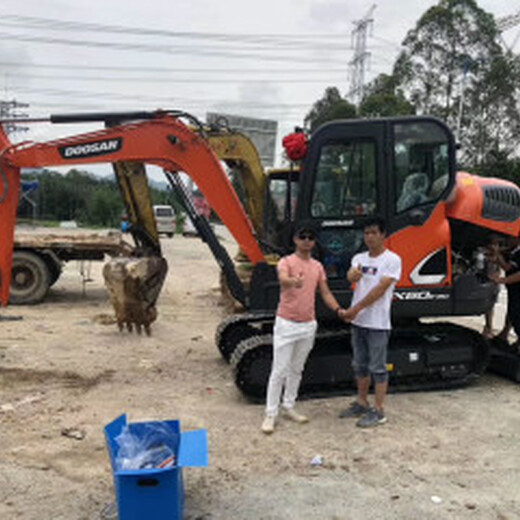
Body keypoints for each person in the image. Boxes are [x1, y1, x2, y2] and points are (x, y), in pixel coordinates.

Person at [261, 222, 344, 434]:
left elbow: (324, 292)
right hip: (287, 322)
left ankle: (289, 405)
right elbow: (283, 280)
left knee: (297, 369)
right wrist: (293, 282)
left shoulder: (317, 267)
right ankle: (271, 413)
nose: (306, 241)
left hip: (308, 324)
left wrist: (338, 309)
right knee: (279, 370)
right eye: (303, 236)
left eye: (310, 237)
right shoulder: (286, 262)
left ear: (314, 241)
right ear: (296, 239)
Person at [339, 216, 402, 428]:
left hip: (377, 323)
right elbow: (351, 276)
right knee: (360, 364)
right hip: (359, 323)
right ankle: (362, 401)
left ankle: (379, 410)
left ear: (383, 235)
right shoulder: (359, 258)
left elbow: (379, 290)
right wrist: (352, 275)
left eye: (374, 233)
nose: (370, 237)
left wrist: (354, 310)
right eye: (367, 233)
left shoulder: (392, 260)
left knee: (378, 366)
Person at [489, 235, 520, 349]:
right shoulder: (513, 251)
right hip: (513, 290)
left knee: (517, 315)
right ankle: (506, 335)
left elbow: (511, 270)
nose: (507, 241)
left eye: (510, 238)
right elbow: (508, 267)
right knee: (512, 312)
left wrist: (501, 280)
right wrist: (497, 254)